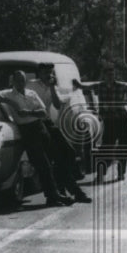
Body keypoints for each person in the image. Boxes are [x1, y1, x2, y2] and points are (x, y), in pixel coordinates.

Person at [0, 70, 74, 207]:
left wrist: (29, 112)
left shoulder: (31, 94)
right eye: (17, 81)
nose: (20, 83)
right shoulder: (7, 94)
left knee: (54, 159)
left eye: (22, 80)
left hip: (40, 128)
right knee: (42, 164)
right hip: (27, 131)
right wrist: (13, 103)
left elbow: (43, 111)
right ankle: (54, 195)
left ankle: (56, 193)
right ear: (13, 82)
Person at [28, 63, 91, 203]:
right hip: (36, 123)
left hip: (48, 122)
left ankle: (63, 188)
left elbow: (56, 105)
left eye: (50, 72)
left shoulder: (52, 86)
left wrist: (51, 87)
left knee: (68, 152)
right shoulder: (31, 85)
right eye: (45, 72)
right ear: (39, 73)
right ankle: (71, 191)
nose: (48, 75)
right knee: (56, 157)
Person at [92, 62, 127, 182]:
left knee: (123, 147)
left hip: (122, 119)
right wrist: (77, 83)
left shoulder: (121, 85)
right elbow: (85, 87)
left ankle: (121, 173)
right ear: (104, 75)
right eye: (108, 75)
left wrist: (125, 100)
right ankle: (101, 174)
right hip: (109, 120)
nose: (110, 77)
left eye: (112, 74)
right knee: (106, 147)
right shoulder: (100, 86)